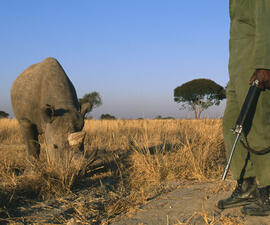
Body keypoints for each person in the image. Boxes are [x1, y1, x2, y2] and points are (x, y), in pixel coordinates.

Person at [217, 0, 270, 216]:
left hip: (255, 63)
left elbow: (267, 21)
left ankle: (268, 188)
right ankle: (246, 184)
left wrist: (265, 65)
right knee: (231, 123)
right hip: (237, 66)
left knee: (257, 125)